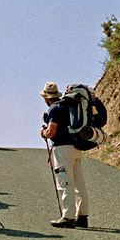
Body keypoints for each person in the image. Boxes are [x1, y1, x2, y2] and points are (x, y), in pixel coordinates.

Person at [40, 82, 90, 228]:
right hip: (76, 147)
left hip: (62, 149)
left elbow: (51, 132)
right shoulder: (68, 106)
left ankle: (68, 217)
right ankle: (82, 216)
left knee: (65, 182)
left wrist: (44, 133)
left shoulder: (54, 108)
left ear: (47, 98)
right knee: (79, 183)